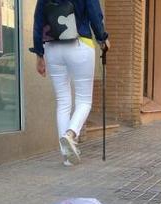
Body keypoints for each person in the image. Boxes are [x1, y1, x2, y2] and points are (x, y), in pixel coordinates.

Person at [31, 0, 109, 166]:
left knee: (63, 101)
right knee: (84, 100)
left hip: (53, 47)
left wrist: (39, 53)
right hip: (80, 44)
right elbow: (94, 14)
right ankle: (71, 134)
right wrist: (102, 38)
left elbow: (38, 20)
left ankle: (67, 157)